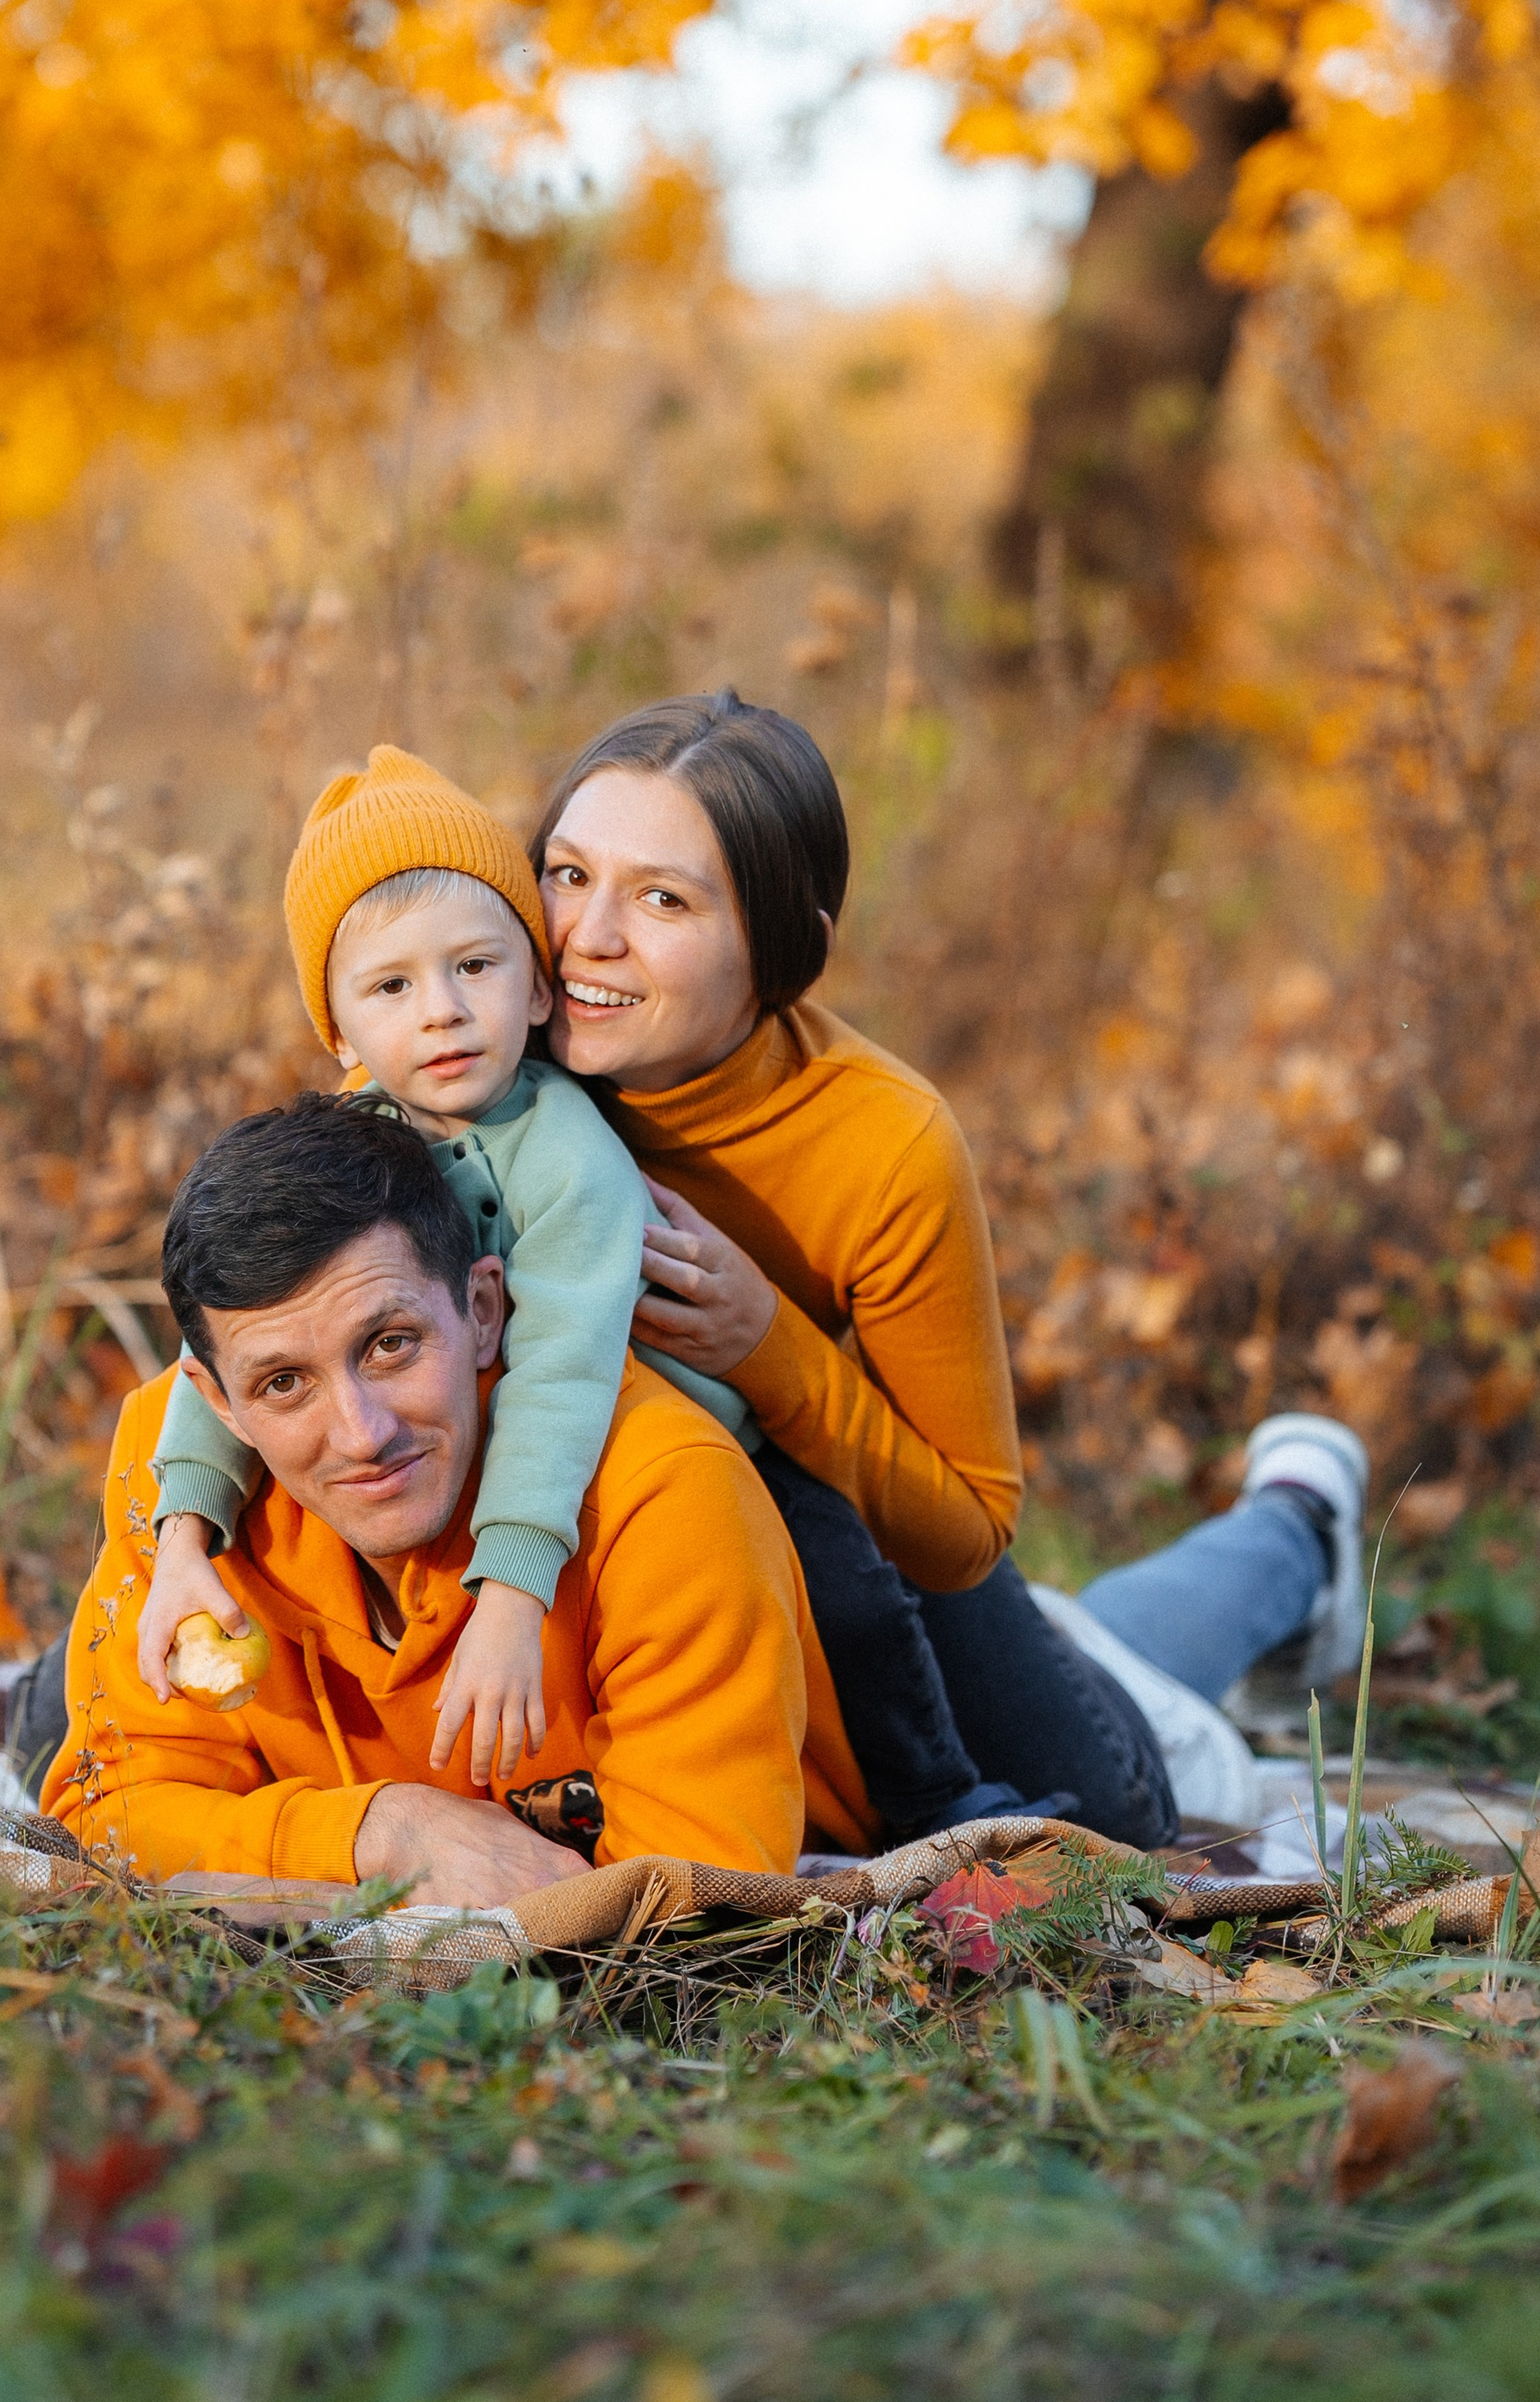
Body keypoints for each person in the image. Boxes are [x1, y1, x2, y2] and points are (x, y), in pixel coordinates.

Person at [531, 690, 1371, 1839]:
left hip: (866, 1541)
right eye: (569, 874)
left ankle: (1294, 1528)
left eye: (663, 899)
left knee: (1112, 1803)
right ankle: (1130, 1617)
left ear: (790, 955)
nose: (585, 936)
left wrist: (765, 1343)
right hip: (656, 1535)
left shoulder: (886, 1144)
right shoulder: (477, 1044)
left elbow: (970, 1522)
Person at [133, 743, 1001, 1842]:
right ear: (341, 1032)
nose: (441, 1013)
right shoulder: (356, 1128)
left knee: (850, 1594)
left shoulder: (570, 1155)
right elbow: (226, 1343)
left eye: (474, 970)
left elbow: (560, 1372)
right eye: (394, 988)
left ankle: (939, 1804)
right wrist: (182, 1537)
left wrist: (509, 1596)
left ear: (533, 986)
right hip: (514, 1469)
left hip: (675, 1455)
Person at [39, 1093, 876, 1899]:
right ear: (218, 1404)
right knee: (47, 1725)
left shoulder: (663, 1495)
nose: (362, 1433)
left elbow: (696, 1900)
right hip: (327, 1749)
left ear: (482, 1309)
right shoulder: (172, 1491)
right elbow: (108, 1816)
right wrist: (381, 1833)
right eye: (284, 1383)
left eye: (391, 1345)